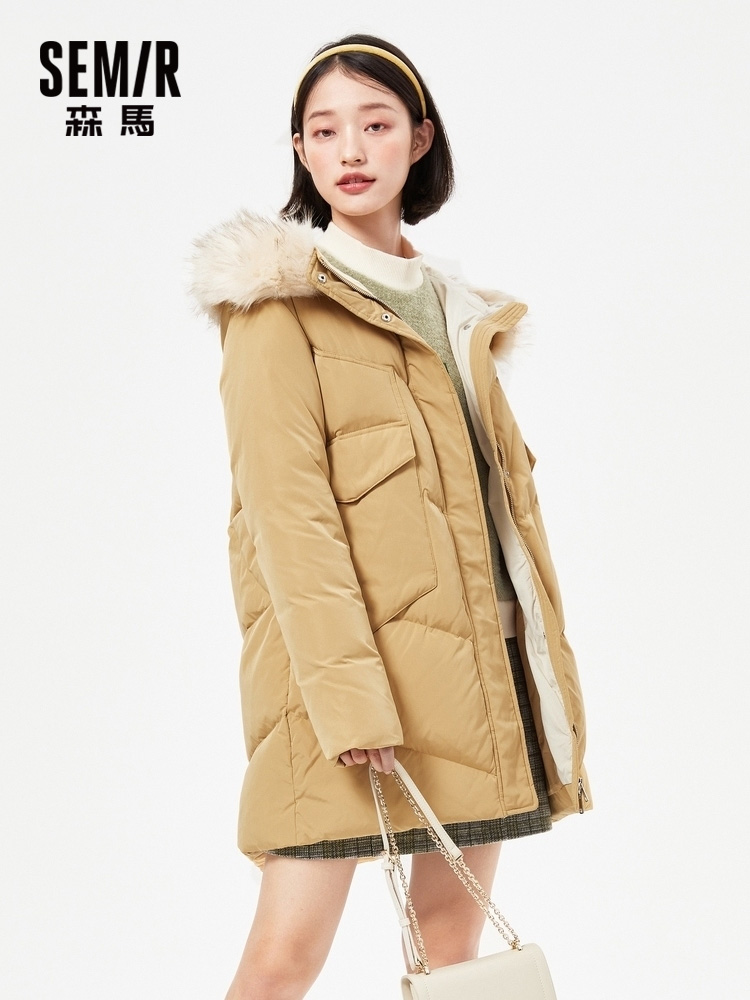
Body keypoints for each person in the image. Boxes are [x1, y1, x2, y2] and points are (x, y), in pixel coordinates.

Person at [191, 33, 592, 1000]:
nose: (350, 151)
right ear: (301, 149)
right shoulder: (276, 311)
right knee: (285, 958)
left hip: (476, 678)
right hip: (343, 692)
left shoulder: (458, 311)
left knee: (452, 949)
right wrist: (351, 700)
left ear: (419, 140)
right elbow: (290, 523)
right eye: (324, 131)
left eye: (375, 126)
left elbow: (499, 522)